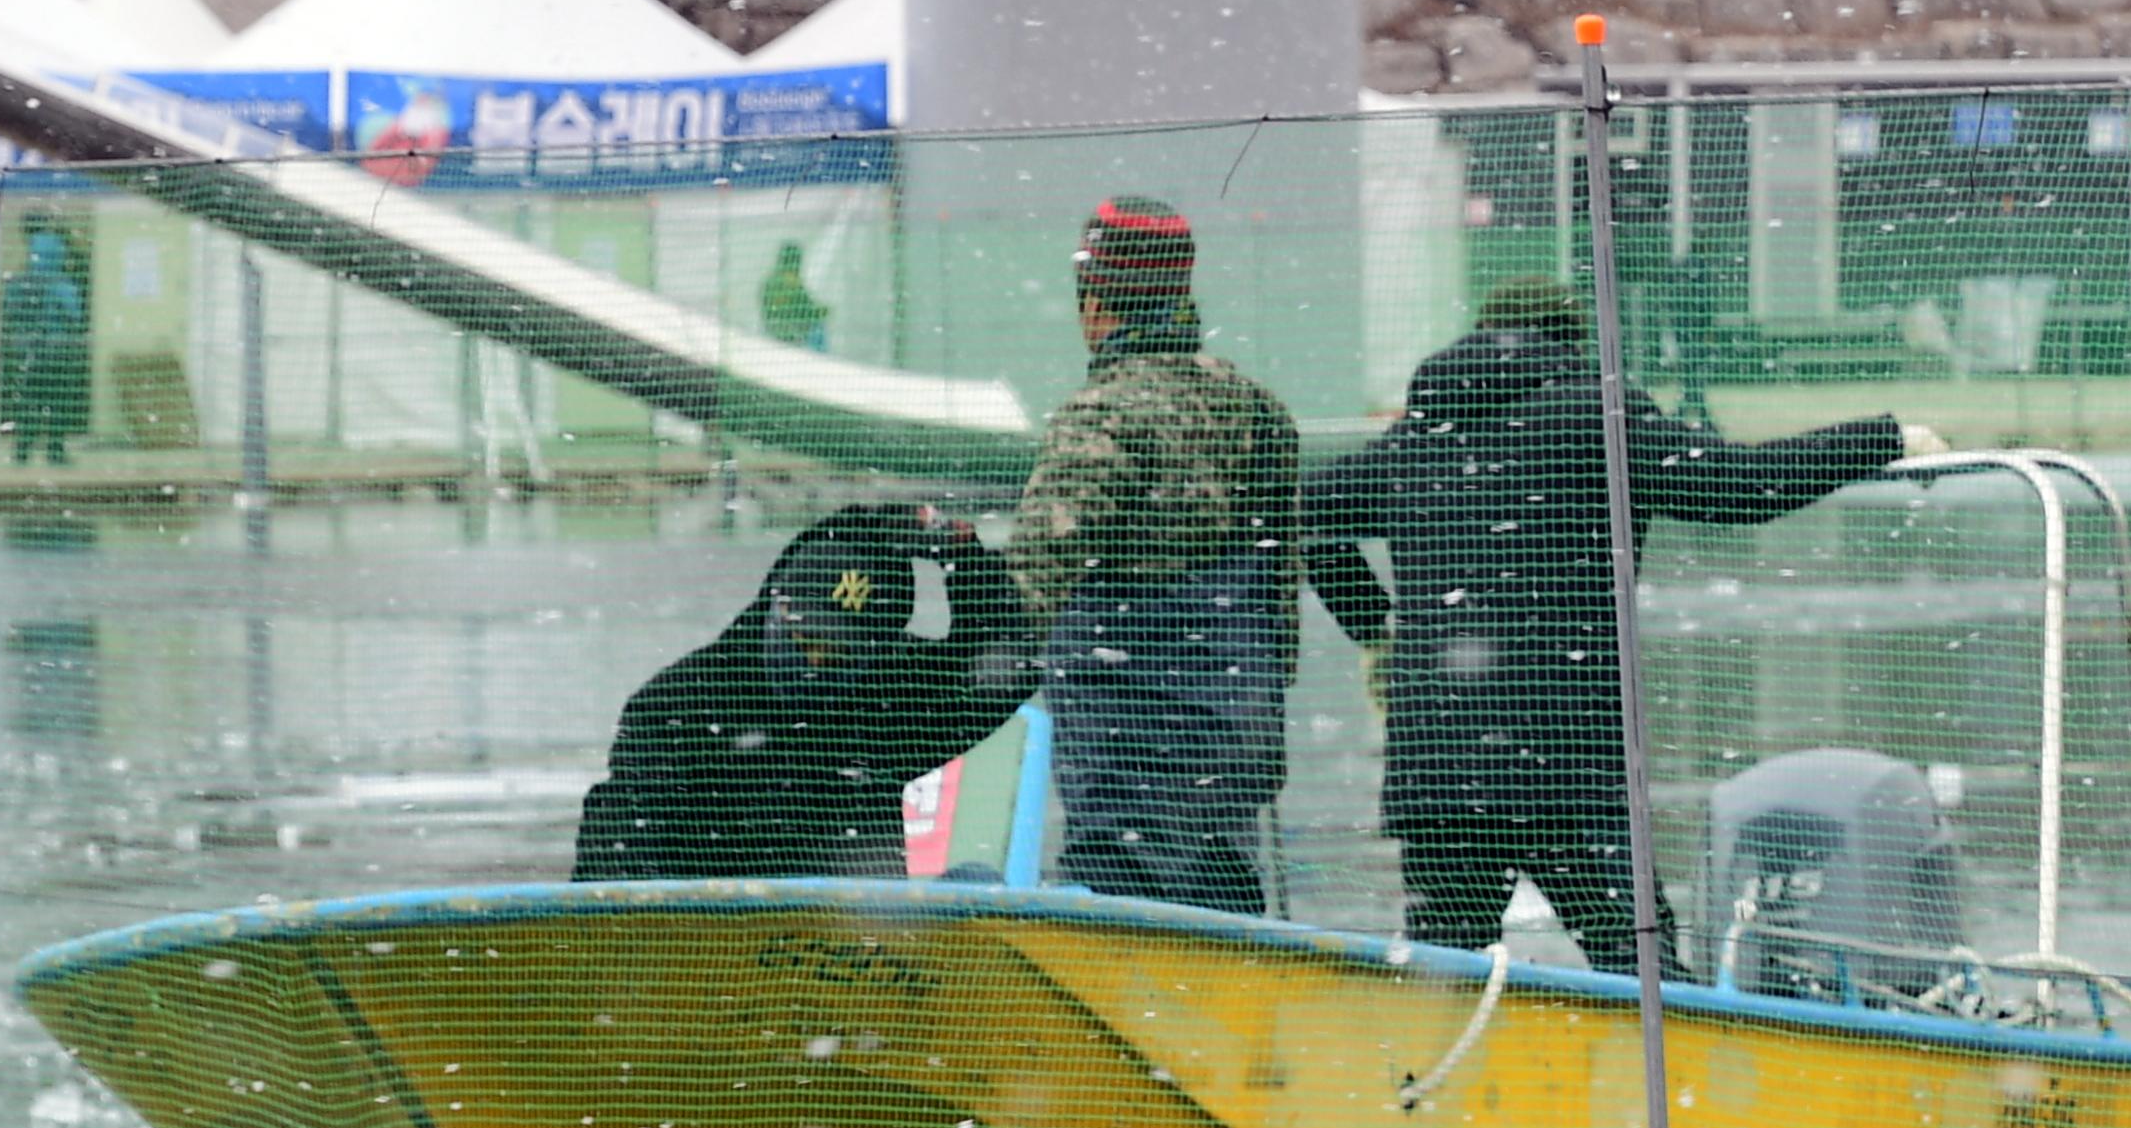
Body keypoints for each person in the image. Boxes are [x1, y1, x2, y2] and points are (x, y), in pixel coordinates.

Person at [1305, 275, 1931, 973]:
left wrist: (1374, 629)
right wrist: (1885, 436)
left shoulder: (1417, 437)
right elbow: (1740, 485)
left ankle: (1436, 1080)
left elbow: (1303, 513)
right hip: (1566, 760)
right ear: (1575, 342)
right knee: (1641, 971)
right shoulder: (1595, 414)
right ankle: (1675, 1081)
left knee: (1443, 973)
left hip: (1440, 769)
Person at [1004, 196, 1316, 917]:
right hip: (1234, 727)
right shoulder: (1256, 406)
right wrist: (1260, 701)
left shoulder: (1101, 415)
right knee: (1223, 901)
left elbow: (1030, 583)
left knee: (1119, 905)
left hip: (1123, 746)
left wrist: (967, 674)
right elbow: (1280, 581)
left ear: (1095, 302)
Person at [575, 504, 1036, 882]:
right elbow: (617, 852)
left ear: (873, 655)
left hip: (845, 960)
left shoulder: (888, 701)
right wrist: (866, 525)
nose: (814, 662)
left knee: (976, 883)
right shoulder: (676, 704)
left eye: (836, 653)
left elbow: (1001, 672)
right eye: (804, 638)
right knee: (615, 815)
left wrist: (968, 561)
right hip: (704, 947)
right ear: (777, 608)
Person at [0, 224, 90, 468]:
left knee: (29, 404)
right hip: (59, 352)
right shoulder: (64, 286)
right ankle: (55, 451)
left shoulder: (19, 284)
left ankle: (22, 453)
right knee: (58, 404)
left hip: (28, 353)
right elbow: (76, 317)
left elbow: (9, 314)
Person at [759, 240, 829, 352]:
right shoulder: (791, 282)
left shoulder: (771, 281)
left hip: (774, 330)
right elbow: (806, 309)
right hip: (791, 334)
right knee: (817, 328)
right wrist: (823, 311)